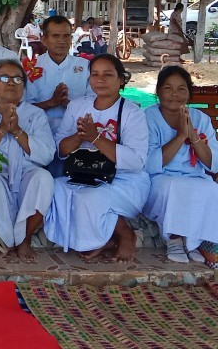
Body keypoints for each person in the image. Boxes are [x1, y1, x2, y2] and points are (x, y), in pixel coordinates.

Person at [44, 54, 150, 263]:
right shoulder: (77, 106)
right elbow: (61, 149)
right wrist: (80, 136)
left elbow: (136, 160)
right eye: (95, 74)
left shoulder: (132, 112)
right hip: (84, 174)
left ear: (121, 80)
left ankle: (124, 234)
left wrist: (96, 137)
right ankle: (103, 239)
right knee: (56, 189)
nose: (100, 79)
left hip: (123, 180)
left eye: (107, 74)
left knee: (89, 198)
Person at [142, 65, 218, 263]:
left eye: (181, 89)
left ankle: (193, 242)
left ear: (189, 93)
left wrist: (193, 135)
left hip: (195, 177)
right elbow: (148, 164)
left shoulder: (201, 119)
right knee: (174, 187)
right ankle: (174, 239)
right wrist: (181, 136)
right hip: (159, 179)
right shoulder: (148, 117)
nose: (175, 94)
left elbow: (213, 163)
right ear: (158, 92)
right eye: (168, 88)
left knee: (212, 190)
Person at [0, 60, 54, 261]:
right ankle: (3, 239)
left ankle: (25, 240)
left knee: (44, 178)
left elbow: (47, 154)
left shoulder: (35, 114)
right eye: (4, 78)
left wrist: (17, 131)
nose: (11, 83)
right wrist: (2, 128)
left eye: (18, 79)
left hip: (25, 171)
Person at [25, 15, 92, 135]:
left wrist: (68, 105)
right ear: (44, 39)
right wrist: (51, 102)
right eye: (55, 36)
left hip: (77, 132)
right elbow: (24, 108)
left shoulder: (85, 67)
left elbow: (94, 104)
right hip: (39, 131)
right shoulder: (31, 68)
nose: (62, 41)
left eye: (66, 36)